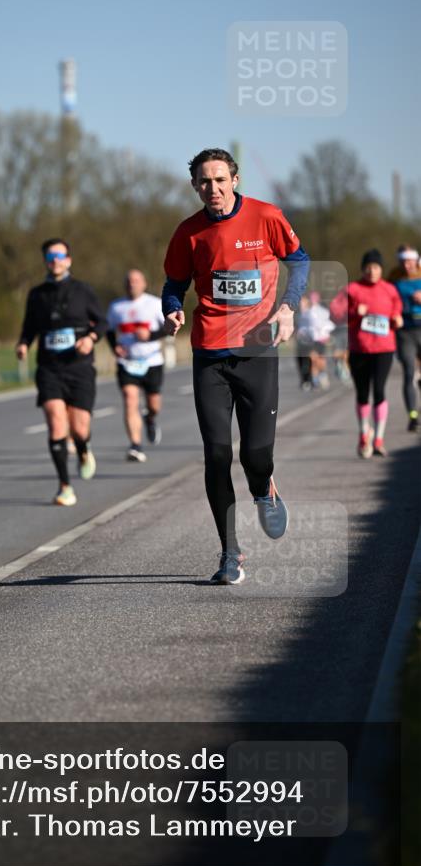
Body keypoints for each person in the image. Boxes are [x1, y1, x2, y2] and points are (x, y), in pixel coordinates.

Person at [162, 148, 310, 585]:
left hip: (258, 350)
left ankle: (263, 488)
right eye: (204, 182)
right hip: (210, 354)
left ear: (235, 179)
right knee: (217, 454)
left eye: (220, 180)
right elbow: (174, 283)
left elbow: (298, 262)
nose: (213, 189)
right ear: (194, 186)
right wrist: (171, 308)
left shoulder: (266, 217)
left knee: (255, 455)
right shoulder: (189, 232)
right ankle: (230, 553)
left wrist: (287, 308)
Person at [16, 238, 108, 506]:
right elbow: (29, 326)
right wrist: (23, 343)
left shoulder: (83, 290)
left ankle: (83, 449)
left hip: (79, 367)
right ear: (45, 261)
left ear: (68, 259)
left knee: (79, 429)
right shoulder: (37, 294)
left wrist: (90, 338)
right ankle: (65, 486)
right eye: (50, 256)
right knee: (56, 421)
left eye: (60, 255)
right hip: (49, 368)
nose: (55, 260)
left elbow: (102, 323)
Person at [330, 249, 402, 458]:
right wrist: (353, 312)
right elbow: (335, 314)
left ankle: (378, 438)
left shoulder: (389, 289)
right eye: (368, 267)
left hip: (384, 349)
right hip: (359, 349)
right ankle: (364, 433)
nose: (372, 271)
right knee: (362, 393)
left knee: (379, 390)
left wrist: (397, 318)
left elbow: (397, 308)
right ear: (363, 269)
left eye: (376, 267)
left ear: (381, 269)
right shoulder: (352, 289)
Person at [106, 269, 166, 462]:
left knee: (153, 405)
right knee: (130, 400)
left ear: (144, 283)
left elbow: (169, 328)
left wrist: (151, 336)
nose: (132, 284)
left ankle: (150, 418)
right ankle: (135, 445)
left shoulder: (155, 304)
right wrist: (115, 346)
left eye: (136, 280)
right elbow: (108, 330)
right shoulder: (116, 307)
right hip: (127, 362)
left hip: (152, 361)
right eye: (129, 281)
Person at [388, 244, 421, 432]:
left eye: (409, 261)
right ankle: (412, 415)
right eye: (403, 261)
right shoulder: (394, 279)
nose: (406, 265)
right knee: (409, 372)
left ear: (416, 260)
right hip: (405, 331)